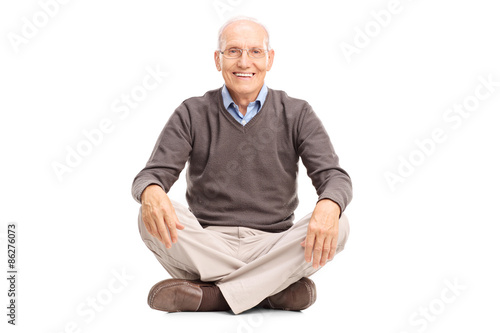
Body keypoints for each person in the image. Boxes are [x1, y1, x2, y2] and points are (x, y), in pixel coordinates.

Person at [132, 16, 352, 315]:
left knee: (339, 223)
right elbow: (152, 173)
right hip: (208, 243)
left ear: (270, 59)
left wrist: (329, 203)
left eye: (255, 51)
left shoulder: (297, 113)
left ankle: (214, 297)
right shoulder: (192, 112)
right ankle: (271, 292)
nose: (244, 62)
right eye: (233, 51)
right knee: (148, 217)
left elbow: (333, 177)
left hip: (274, 245)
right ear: (218, 59)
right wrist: (151, 191)